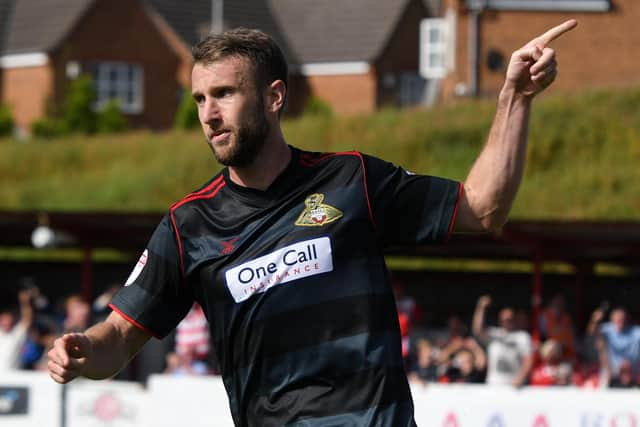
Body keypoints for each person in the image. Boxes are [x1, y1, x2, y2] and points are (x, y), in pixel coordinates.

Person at [48, 21, 577, 426]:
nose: (208, 115)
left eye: (225, 94)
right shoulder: (189, 225)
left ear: (274, 97)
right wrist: (86, 349)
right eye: (200, 100)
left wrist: (516, 97)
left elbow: (484, 207)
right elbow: (119, 334)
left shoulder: (353, 180)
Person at [472, 295, 534, 387]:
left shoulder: (523, 336)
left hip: (515, 386)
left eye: (510, 319)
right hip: (494, 384)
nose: (507, 322)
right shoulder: (493, 334)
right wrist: (481, 307)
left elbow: (529, 359)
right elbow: (477, 329)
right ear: (500, 320)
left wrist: (521, 378)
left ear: (515, 319)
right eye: (504, 320)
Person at [587, 306, 640, 381]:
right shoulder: (607, 329)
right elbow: (591, 331)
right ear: (612, 320)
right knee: (600, 342)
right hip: (611, 370)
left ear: (627, 319)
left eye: (622, 319)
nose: (620, 322)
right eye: (617, 320)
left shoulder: (635, 331)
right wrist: (594, 320)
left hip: (631, 370)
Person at [0, 287, 35, 370]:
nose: (6, 323)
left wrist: (25, 302)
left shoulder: (17, 333)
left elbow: (27, 319)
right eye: (3, 320)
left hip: (14, 379)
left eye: (9, 320)